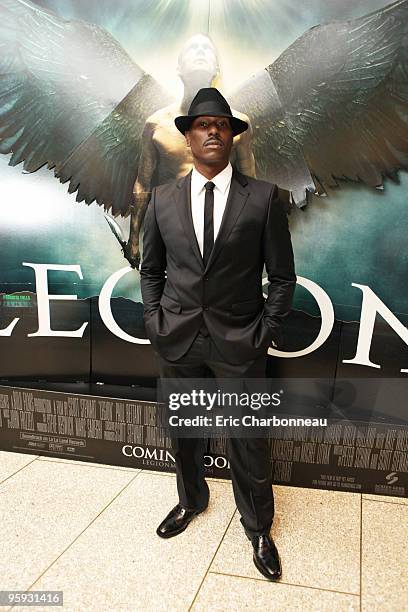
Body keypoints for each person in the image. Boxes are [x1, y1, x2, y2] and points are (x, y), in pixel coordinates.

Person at [140, 87, 296, 581]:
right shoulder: (162, 199)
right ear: (188, 137)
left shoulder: (265, 197)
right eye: (202, 125)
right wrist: (155, 320)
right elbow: (151, 270)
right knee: (184, 432)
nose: (212, 131)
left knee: (247, 439)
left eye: (222, 125)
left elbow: (283, 276)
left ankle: (257, 528)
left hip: (240, 341)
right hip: (178, 337)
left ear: (232, 136)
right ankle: (191, 501)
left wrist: (264, 332)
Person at [125, 34, 254, 269]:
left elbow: (251, 185)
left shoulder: (238, 125)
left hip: (220, 234)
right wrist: (134, 239)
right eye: (192, 48)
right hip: (169, 231)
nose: (200, 51)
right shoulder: (156, 124)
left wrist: (252, 240)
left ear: (216, 68)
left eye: (207, 48)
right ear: (178, 68)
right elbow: (142, 184)